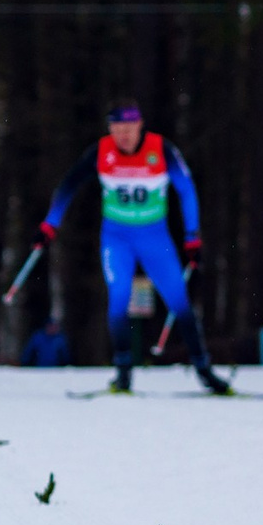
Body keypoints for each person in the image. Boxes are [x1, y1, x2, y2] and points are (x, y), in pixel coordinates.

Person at [30, 98, 230, 394]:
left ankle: (204, 371)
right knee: (118, 299)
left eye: (129, 128)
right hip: (117, 239)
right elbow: (69, 185)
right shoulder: (101, 151)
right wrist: (49, 225)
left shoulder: (161, 150)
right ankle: (123, 373)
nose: (123, 136)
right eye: (117, 129)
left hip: (154, 238)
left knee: (179, 301)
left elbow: (187, 190)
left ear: (140, 126)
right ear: (110, 129)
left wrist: (192, 236)